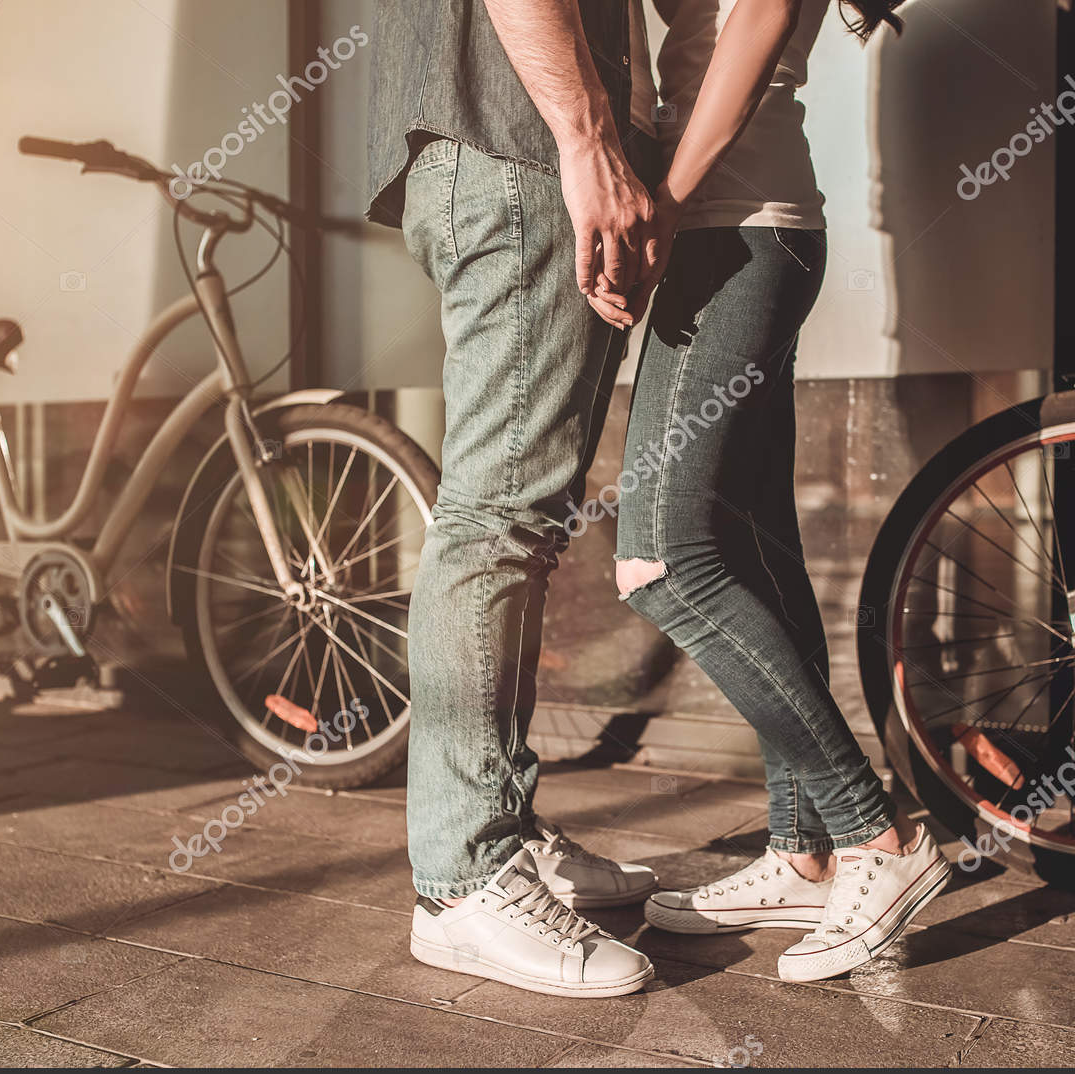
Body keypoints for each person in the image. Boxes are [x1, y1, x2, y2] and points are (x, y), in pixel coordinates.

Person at [593, 0, 952, 983]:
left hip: (731, 227)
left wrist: (659, 201)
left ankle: (876, 834)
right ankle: (803, 853)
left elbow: (758, 16)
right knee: (753, 545)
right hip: (742, 228)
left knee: (661, 559)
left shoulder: (699, 206)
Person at [366, 1, 669, 999]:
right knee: (494, 525)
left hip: (498, 150)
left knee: (517, 526)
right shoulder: (543, 142)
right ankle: (462, 878)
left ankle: (499, 822)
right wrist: (587, 140)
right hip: (517, 149)